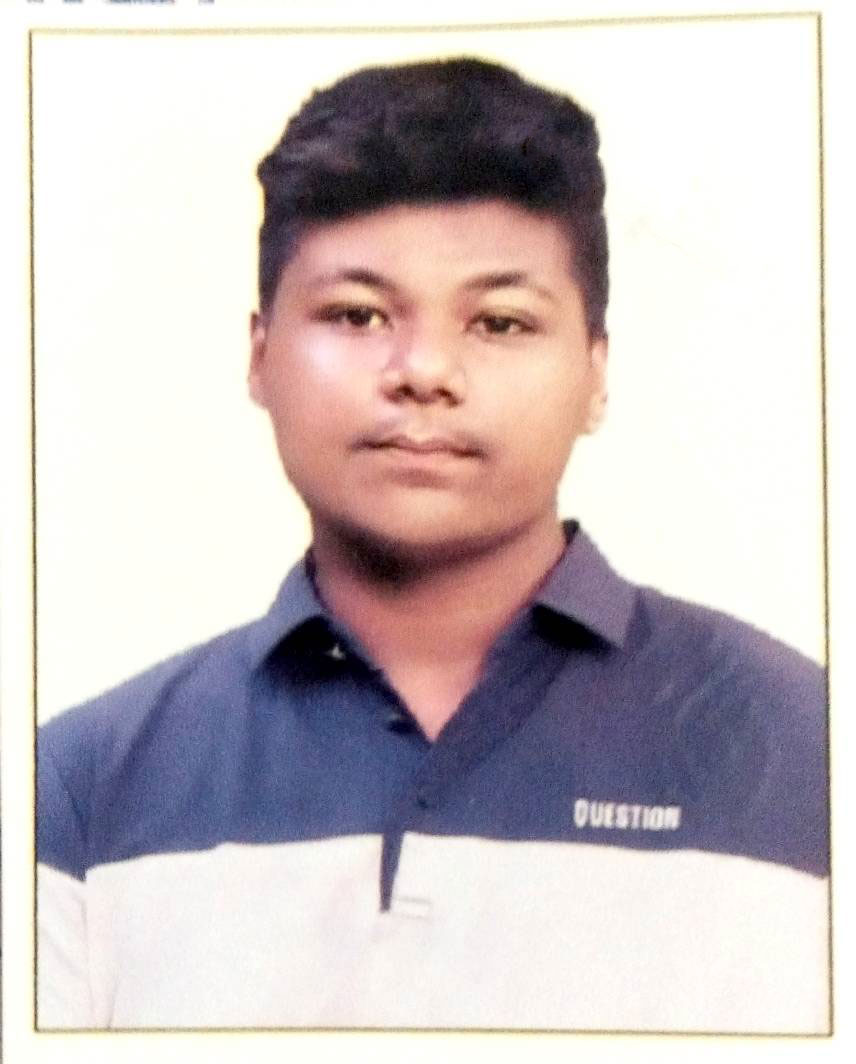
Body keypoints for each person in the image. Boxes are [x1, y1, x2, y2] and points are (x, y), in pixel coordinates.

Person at [36, 56, 829, 1033]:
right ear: (260, 355)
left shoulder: (811, 751)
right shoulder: (77, 794)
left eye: (499, 321)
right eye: (357, 314)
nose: (423, 370)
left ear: (596, 372)